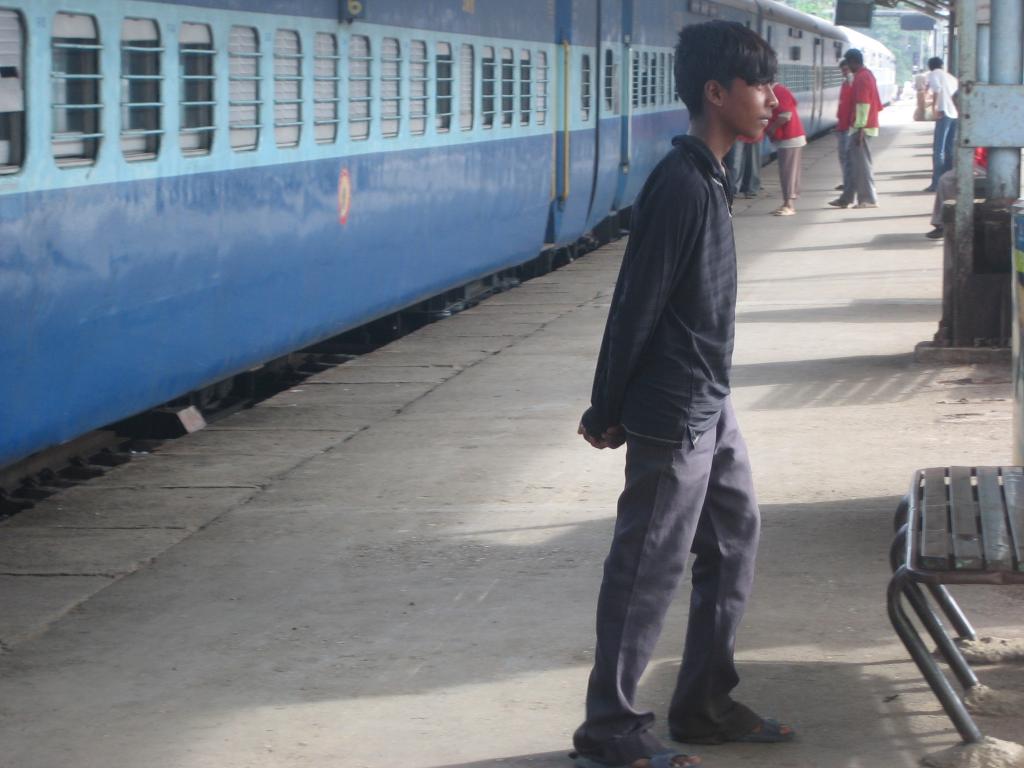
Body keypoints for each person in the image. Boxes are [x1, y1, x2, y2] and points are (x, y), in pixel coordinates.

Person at [572, 20, 794, 768]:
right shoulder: (678, 186)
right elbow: (635, 304)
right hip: (674, 409)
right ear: (716, 92)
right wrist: (607, 408)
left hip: (710, 401)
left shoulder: (709, 177)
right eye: (760, 85)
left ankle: (703, 702)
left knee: (733, 541)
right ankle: (611, 730)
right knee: (646, 569)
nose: (773, 98)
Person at [829, 49, 881, 209]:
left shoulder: (862, 77)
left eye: (848, 64)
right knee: (852, 164)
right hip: (860, 127)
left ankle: (868, 199)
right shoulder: (866, 75)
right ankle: (847, 197)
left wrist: (860, 127)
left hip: (861, 128)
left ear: (852, 62)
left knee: (861, 165)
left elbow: (863, 104)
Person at [925, 147, 987, 239]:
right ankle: (943, 223)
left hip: (986, 165)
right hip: (976, 161)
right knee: (945, 179)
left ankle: (949, 222)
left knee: (948, 180)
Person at [763, 82, 805, 215]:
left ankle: (789, 205)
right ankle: (787, 202)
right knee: (788, 171)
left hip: (790, 137)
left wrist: (772, 128)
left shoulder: (779, 91)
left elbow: (786, 115)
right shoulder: (778, 90)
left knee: (788, 172)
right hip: (788, 138)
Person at [924, 56, 958, 193]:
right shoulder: (950, 77)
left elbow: (936, 91)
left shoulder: (933, 74)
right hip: (955, 114)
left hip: (943, 113)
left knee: (939, 150)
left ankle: (936, 183)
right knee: (949, 150)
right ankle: (948, 183)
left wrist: (934, 108)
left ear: (930, 66)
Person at [832, 60, 854, 193]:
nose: (844, 73)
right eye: (843, 70)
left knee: (847, 156)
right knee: (843, 156)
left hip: (849, 127)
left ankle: (849, 183)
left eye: (846, 70)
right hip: (842, 125)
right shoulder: (845, 84)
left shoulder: (853, 84)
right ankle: (846, 181)